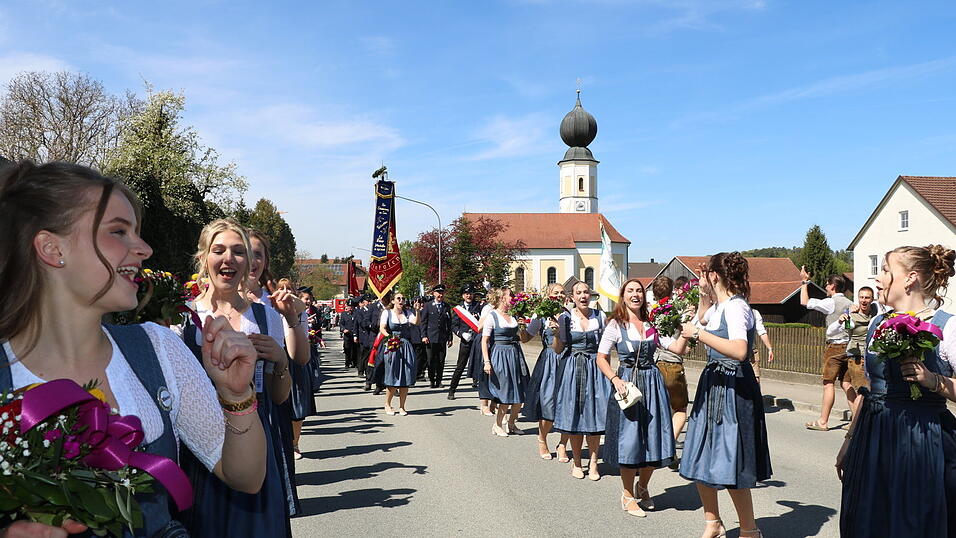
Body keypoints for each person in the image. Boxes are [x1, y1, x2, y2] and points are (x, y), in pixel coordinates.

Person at [0, 161, 266, 538]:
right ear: (51, 247)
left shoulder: (158, 349)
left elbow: (247, 477)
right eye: (118, 231)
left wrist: (236, 395)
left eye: (136, 233)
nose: (144, 249)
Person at [175, 220, 296, 537]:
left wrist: (281, 360)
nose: (229, 258)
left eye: (238, 251)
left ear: (248, 261)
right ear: (203, 258)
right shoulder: (181, 317)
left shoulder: (266, 317)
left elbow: (279, 396)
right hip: (200, 443)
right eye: (219, 250)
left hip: (254, 435)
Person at [838, 245, 956, 536]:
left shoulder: (947, 326)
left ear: (910, 278)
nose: (878, 278)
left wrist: (933, 380)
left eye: (886, 270)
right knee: (869, 523)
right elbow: (869, 390)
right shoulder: (877, 322)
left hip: (922, 441)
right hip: (873, 438)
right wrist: (849, 442)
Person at [679, 253, 771, 538]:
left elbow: (740, 351)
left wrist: (698, 334)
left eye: (707, 273)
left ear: (715, 275)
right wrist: (703, 294)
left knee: (731, 460)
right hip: (714, 384)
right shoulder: (719, 306)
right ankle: (713, 522)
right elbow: (702, 317)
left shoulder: (736, 307)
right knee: (700, 455)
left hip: (733, 387)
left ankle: (749, 530)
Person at [598, 279, 691, 517]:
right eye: (630, 291)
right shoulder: (615, 325)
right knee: (629, 442)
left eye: (639, 290)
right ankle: (627, 494)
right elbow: (601, 357)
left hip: (653, 384)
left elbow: (677, 349)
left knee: (653, 439)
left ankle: (643, 486)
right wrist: (615, 379)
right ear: (623, 296)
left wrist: (686, 330)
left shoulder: (652, 324)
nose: (635, 294)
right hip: (628, 385)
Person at [552, 281, 611, 481]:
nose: (583, 296)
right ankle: (577, 462)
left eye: (586, 292)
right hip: (572, 369)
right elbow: (558, 350)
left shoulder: (600, 317)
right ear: (572, 297)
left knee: (595, 416)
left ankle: (593, 462)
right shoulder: (565, 318)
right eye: (579, 293)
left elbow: (606, 350)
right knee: (575, 417)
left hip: (595, 369)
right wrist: (556, 334)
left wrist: (608, 375)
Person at [801, 271, 857, 431]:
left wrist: (804, 282)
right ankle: (856, 421)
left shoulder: (831, 302)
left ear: (833, 286)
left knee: (828, 384)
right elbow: (849, 326)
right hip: (849, 346)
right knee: (846, 383)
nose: (825, 287)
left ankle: (823, 421)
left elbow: (805, 302)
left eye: (827, 284)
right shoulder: (850, 303)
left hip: (835, 347)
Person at [522, 283, 570, 461]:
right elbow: (526, 338)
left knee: (568, 404)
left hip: (568, 360)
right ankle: (542, 438)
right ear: (548, 295)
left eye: (562, 292)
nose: (560, 295)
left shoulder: (569, 314)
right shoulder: (541, 314)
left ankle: (563, 444)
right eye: (556, 292)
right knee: (548, 403)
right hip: (550, 361)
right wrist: (521, 327)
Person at [481, 287, 533, 437]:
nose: (513, 298)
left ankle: (511, 424)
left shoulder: (514, 315)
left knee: (519, 391)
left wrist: (522, 326)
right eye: (511, 295)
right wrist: (487, 362)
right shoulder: (492, 316)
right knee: (506, 392)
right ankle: (497, 425)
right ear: (502, 298)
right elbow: (484, 341)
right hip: (500, 354)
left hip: (515, 354)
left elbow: (523, 338)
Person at [650, 276, 691, 456]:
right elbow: (685, 334)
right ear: (672, 290)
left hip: (654, 363)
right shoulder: (676, 310)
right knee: (680, 409)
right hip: (673, 363)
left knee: (660, 409)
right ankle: (669, 445)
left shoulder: (650, 312)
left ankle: (655, 445)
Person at [376, 291, 420, 415]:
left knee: (406, 376)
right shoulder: (387, 312)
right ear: (393, 301)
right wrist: (390, 338)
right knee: (393, 375)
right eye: (398, 298)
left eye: (403, 298)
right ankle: (387, 404)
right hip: (392, 346)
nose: (401, 300)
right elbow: (382, 328)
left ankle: (402, 407)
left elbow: (416, 322)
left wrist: (417, 311)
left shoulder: (407, 312)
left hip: (405, 346)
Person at [838, 286, 874, 415]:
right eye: (861, 297)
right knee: (856, 389)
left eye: (867, 298)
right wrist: (844, 317)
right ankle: (857, 420)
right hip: (856, 356)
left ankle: (856, 420)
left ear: (872, 299)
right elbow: (846, 326)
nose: (864, 300)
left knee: (854, 387)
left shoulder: (875, 313)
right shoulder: (852, 315)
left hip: (865, 356)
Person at [448, 284, 484, 400]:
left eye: (470, 293)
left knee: (480, 364)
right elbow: (454, 326)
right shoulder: (459, 309)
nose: (469, 296)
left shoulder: (479, 306)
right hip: (466, 341)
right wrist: (461, 333)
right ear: (463, 295)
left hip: (477, 340)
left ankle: (482, 390)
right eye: (466, 294)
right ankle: (452, 390)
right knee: (460, 366)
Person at [419, 284, 453, 388]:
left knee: (441, 360)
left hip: (442, 337)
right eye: (438, 293)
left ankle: (439, 380)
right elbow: (423, 322)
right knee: (431, 360)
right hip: (430, 337)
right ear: (434, 293)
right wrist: (424, 335)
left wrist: (450, 338)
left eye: (442, 293)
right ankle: (432, 380)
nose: (440, 295)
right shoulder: (428, 306)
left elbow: (449, 323)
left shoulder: (446, 306)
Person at [750, 308, 774, 383]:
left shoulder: (754, 312)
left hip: (750, 352)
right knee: (755, 378)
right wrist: (769, 348)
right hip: (748, 351)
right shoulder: (754, 312)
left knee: (755, 379)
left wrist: (770, 348)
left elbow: (762, 331)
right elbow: (761, 331)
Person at [410, 296, 428, 381]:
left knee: (423, 357)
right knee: (416, 357)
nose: (420, 304)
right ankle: (416, 374)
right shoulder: (410, 312)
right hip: (413, 337)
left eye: (421, 302)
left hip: (422, 337)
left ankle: (420, 372)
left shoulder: (424, 312)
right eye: (418, 302)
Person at [340, 298, 358, 368]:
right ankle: (347, 362)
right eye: (349, 307)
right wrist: (343, 329)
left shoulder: (356, 314)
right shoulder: (344, 314)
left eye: (351, 307)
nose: (350, 308)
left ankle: (354, 362)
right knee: (347, 349)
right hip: (347, 335)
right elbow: (341, 323)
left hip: (354, 334)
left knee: (354, 349)